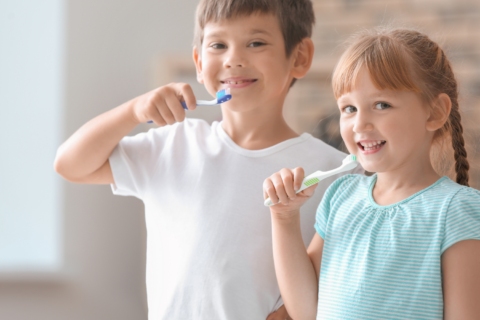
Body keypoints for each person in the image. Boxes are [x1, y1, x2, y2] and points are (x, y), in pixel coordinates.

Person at [54, 0, 361, 319]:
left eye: (255, 43)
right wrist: (132, 111)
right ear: (199, 62)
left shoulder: (333, 172)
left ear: (299, 57)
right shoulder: (173, 145)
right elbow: (70, 164)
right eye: (218, 45)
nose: (234, 59)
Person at [264, 27, 480, 319]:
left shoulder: (455, 210)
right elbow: (306, 312)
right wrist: (284, 217)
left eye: (381, 105)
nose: (359, 124)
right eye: (349, 108)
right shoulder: (340, 197)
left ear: (434, 113)